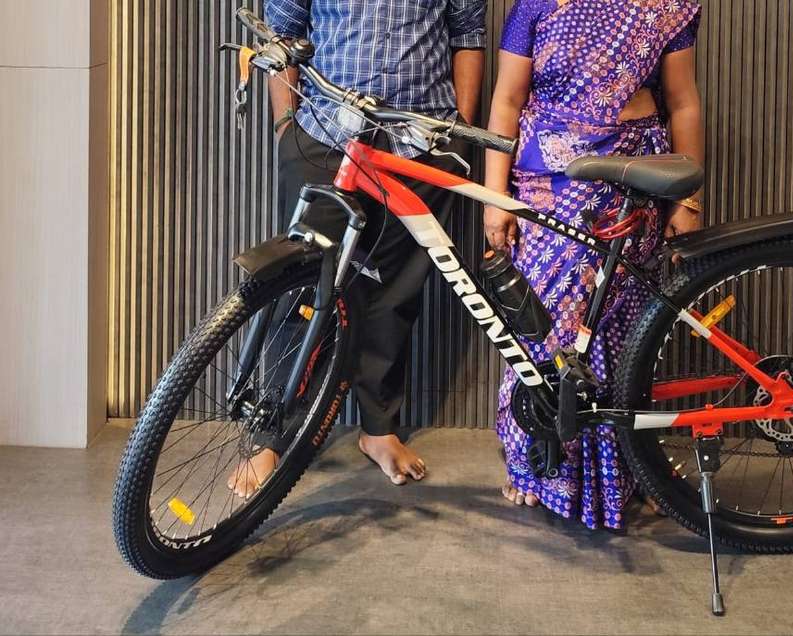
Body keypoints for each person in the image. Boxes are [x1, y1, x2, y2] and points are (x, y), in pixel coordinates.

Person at [228, 0, 487, 496]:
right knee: (301, 289)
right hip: (326, 135)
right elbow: (282, 32)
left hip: (419, 142)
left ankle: (378, 429)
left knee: (395, 295)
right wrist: (286, 129)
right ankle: (272, 436)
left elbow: (468, 36)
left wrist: (457, 134)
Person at [483, 0, 706, 528]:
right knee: (546, 327)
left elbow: (683, 103)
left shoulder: (666, 6)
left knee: (624, 332)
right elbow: (507, 101)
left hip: (632, 178)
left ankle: (630, 470)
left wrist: (688, 199)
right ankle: (540, 467)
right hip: (550, 181)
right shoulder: (534, 6)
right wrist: (495, 197)